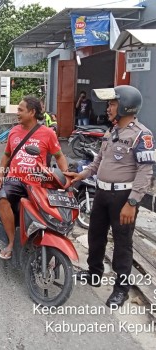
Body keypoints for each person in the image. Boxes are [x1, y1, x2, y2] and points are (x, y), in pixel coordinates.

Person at [65, 85, 155, 308]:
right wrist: (81, 175)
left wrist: (132, 202)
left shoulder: (141, 135)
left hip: (123, 197)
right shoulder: (111, 132)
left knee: (122, 244)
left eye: (113, 104)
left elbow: (146, 171)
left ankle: (121, 289)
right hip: (102, 193)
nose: (108, 108)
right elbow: (98, 163)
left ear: (126, 106)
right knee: (96, 236)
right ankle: (94, 273)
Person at [0, 96, 69, 259]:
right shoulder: (14, 131)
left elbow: (60, 156)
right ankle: (12, 242)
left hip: (38, 182)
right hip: (15, 179)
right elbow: (6, 155)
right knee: (4, 198)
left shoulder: (48, 133)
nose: (17, 113)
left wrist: (67, 177)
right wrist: (1, 176)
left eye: (21, 110)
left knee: (50, 212)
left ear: (32, 112)